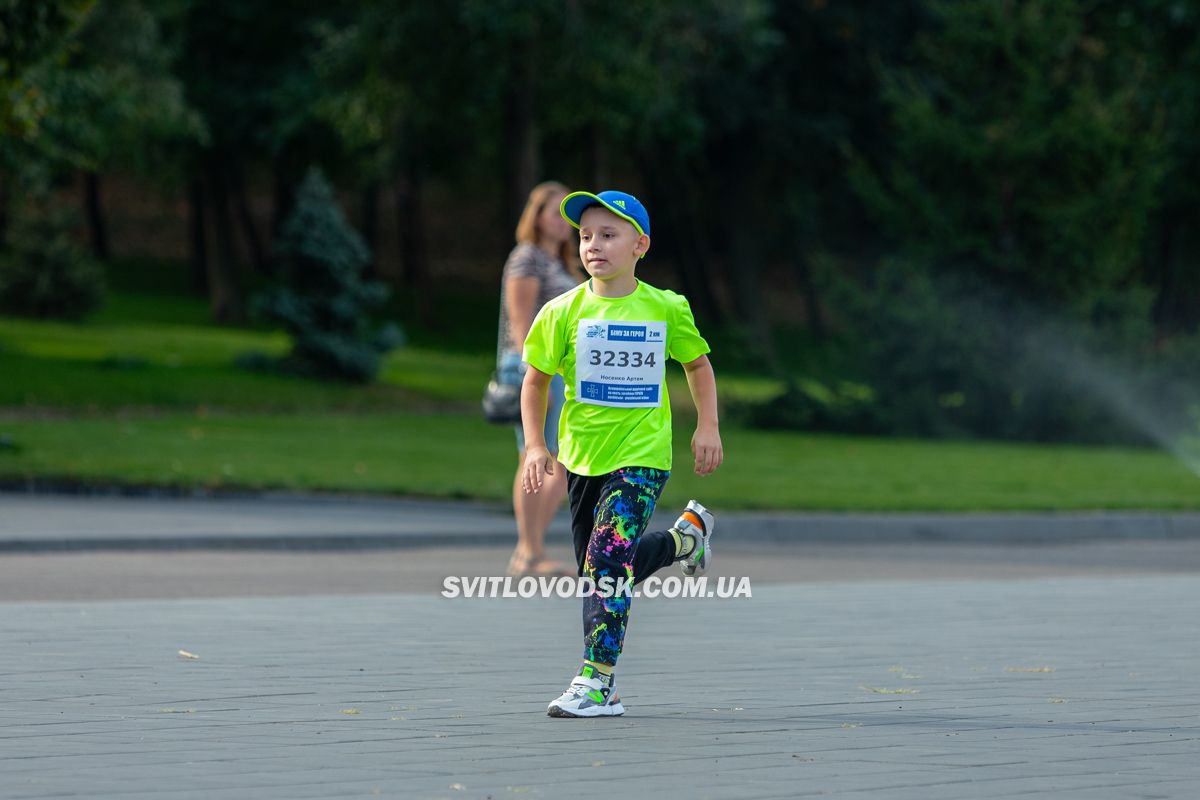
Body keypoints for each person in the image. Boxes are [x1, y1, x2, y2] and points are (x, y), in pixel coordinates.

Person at [520, 189, 723, 717]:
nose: (593, 246)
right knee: (602, 568)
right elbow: (535, 381)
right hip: (584, 459)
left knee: (607, 561)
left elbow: (697, 365)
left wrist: (708, 427)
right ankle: (684, 540)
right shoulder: (561, 312)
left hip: (642, 456)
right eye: (586, 236)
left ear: (640, 245)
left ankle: (597, 683)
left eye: (608, 235)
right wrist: (535, 446)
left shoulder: (664, 307)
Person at [500, 181, 581, 578]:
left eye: (568, 214)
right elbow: (520, 326)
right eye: (555, 212)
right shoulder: (527, 259)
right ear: (537, 216)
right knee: (535, 459)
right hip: (534, 371)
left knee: (558, 463)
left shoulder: (564, 263)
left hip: (563, 374)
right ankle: (528, 551)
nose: (563, 222)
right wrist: (536, 380)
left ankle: (529, 549)